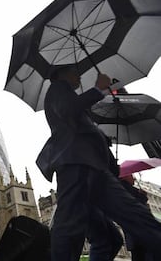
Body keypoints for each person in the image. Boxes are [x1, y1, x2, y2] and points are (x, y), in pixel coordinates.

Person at [35, 65, 161, 261]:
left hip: (93, 167)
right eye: (74, 71)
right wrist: (97, 89)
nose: (79, 75)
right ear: (61, 74)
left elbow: (80, 125)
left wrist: (104, 144)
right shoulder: (58, 89)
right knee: (70, 227)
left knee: (113, 234)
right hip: (77, 163)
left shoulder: (71, 99)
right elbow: (68, 110)